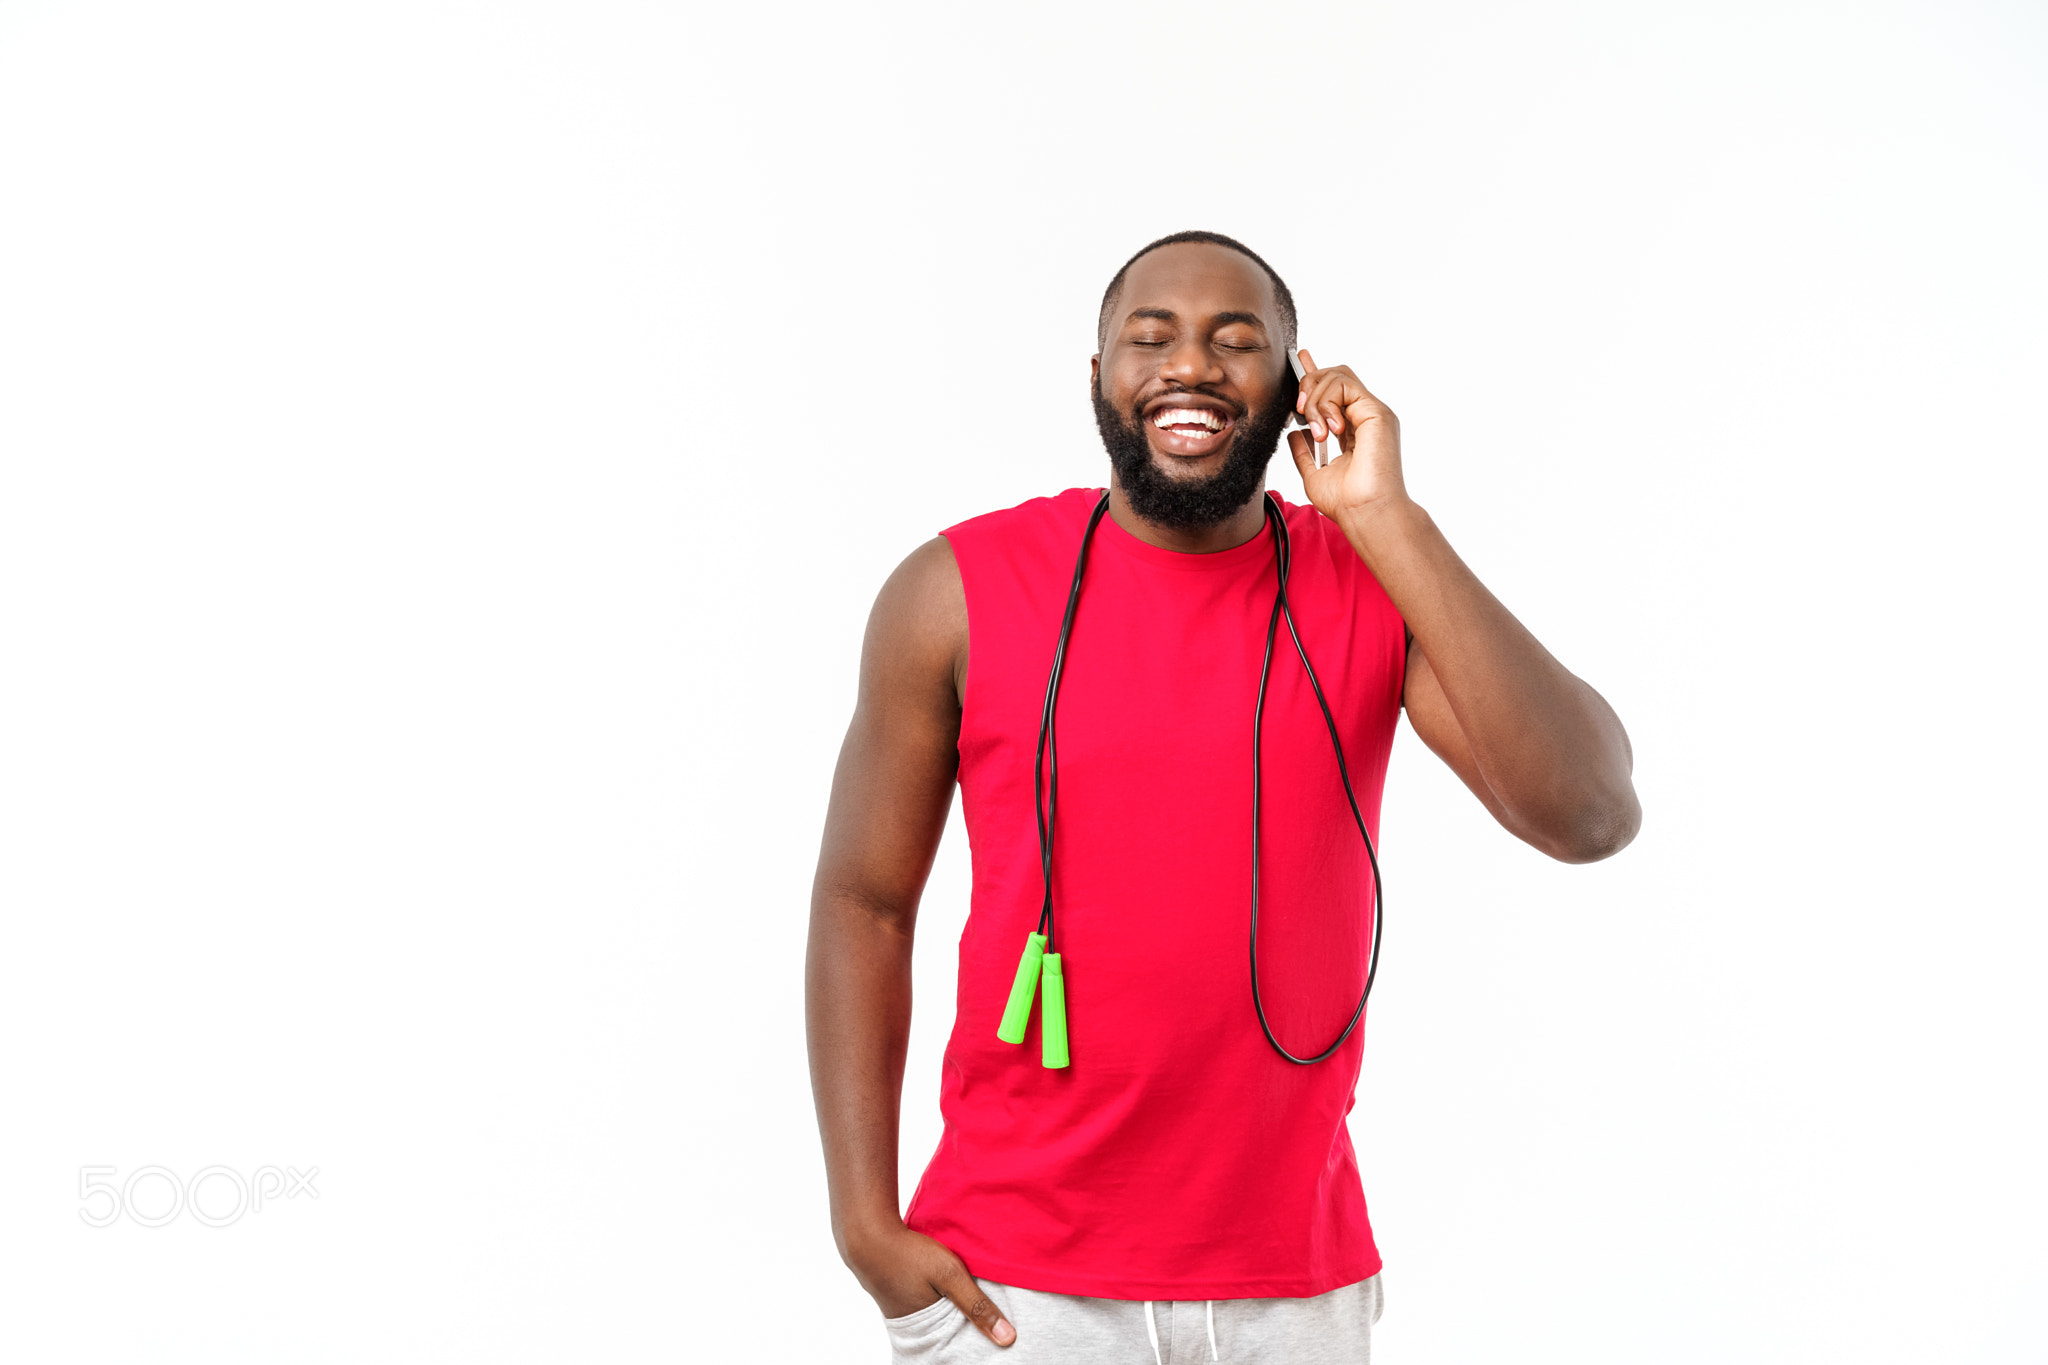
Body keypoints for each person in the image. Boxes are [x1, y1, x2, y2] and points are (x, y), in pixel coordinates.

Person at [806, 230, 1641, 1362]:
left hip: (1287, 1292)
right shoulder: (953, 591)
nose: (1187, 366)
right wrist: (862, 1222)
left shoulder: (1367, 584)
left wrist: (1385, 519)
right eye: (1147, 339)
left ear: (1298, 387)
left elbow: (1588, 813)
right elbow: (864, 901)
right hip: (1014, 1289)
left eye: (1234, 341)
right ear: (1096, 379)